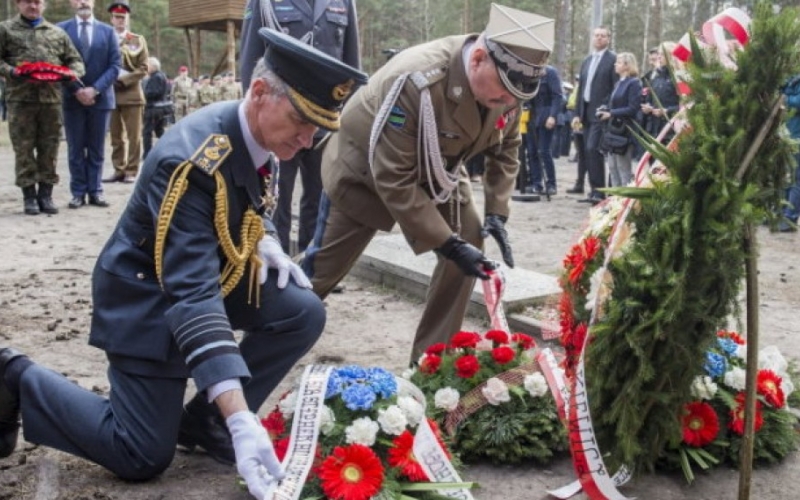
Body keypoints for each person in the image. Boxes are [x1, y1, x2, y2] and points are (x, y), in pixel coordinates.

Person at [0, 28, 367, 500]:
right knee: (140, 454)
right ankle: (15, 373)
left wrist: (268, 241)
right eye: (301, 119)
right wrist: (241, 416)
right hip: (147, 298)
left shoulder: (263, 133)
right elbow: (191, 297)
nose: (308, 137)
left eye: (319, 125)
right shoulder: (192, 162)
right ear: (259, 93)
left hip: (208, 275)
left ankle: (204, 425)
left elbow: (250, 205)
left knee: (302, 309)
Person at [301, 4, 553, 361]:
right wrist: (445, 242)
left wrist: (498, 213)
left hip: (439, 171)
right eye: (503, 92)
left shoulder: (507, 87)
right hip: (364, 174)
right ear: (478, 58)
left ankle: (433, 359)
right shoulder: (418, 79)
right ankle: (263, 332)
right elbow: (393, 177)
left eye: (516, 95)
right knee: (318, 276)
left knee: (471, 241)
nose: (509, 102)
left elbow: (507, 147)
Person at [240, 0, 362, 255]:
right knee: (276, 196)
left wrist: (348, 122)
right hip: (283, 119)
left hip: (325, 120)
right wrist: (256, 120)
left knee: (319, 197)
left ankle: (311, 263)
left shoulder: (343, 2)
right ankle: (276, 257)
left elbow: (351, 63)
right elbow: (251, 56)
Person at [0, 0, 85, 215]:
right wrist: (12, 71)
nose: (33, 6)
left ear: (44, 5)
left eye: (37, 2)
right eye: (28, 2)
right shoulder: (5, 29)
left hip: (51, 100)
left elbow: (75, 61)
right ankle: (29, 196)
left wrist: (70, 72)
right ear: (19, 4)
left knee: (50, 148)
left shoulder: (57, 33)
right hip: (20, 100)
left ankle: (46, 195)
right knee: (24, 149)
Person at [58, 0, 121, 209]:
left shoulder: (108, 31)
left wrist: (94, 89)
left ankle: (95, 191)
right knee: (75, 148)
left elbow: (114, 65)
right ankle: (77, 192)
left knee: (96, 148)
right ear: (71, 2)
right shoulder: (61, 30)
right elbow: (58, 64)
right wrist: (76, 89)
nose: (83, 1)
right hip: (72, 99)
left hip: (101, 99)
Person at [569, 26, 618, 203]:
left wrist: (607, 108)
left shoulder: (613, 60)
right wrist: (577, 113)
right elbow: (581, 88)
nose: (598, 38)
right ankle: (594, 191)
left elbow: (615, 87)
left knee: (593, 149)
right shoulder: (587, 60)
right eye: (596, 35)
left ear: (608, 39)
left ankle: (599, 191)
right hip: (586, 111)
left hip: (601, 113)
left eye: (602, 36)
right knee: (586, 152)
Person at [105, 0, 148, 183]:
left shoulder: (136, 39)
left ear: (127, 18)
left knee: (134, 136)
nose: (120, 20)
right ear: (111, 18)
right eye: (117, 17)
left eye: (123, 17)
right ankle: (118, 169)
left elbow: (144, 67)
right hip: (110, 94)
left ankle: (131, 170)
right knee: (115, 137)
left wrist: (123, 80)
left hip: (131, 94)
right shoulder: (105, 37)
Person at [596, 52, 642, 187]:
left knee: (623, 169)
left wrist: (611, 113)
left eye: (619, 62)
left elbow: (633, 108)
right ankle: (614, 203)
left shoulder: (634, 83)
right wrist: (605, 109)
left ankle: (625, 203)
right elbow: (613, 104)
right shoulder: (618, 83)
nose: (615, 65)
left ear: (627, 66)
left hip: (625, 131)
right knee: (612, 168)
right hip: (613, 131)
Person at [526, 64, 563, 195]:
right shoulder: (529, 72)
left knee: (544, 151)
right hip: (531, 116)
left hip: (546, 115)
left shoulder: (550, 72)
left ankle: (551, 184)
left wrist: (553, 116)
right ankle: (537, 184)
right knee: (532, 152)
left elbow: (557, 96)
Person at [640, 42, 680, 145]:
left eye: (661, 54)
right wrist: (648, 106)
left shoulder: (679, 77)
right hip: (654, 129)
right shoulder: (656, 76)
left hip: (670, 129)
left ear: (670, 55)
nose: (658, 57)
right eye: (658, 54)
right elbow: (649, 98)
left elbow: (686, 105)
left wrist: (667, 111)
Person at [778, 73, 800, 232]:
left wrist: (786, 98)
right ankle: (781, 214)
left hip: (798, 137)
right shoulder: (795, 77)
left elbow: (796, 101)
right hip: (788, 134)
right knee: (785, 177)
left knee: (796, 179)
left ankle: (790, 217)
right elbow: (782, 87)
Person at [141, 56, 171, 159]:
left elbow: (154, 92)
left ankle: (147, 153)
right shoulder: (161, 76)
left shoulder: (156, 77)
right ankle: (167, 148)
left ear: (153, 66)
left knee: (147, 132)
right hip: (159, 108)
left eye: (147, 65)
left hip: (153, 108)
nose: (146, 67)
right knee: (159, 131)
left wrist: (143, 93)